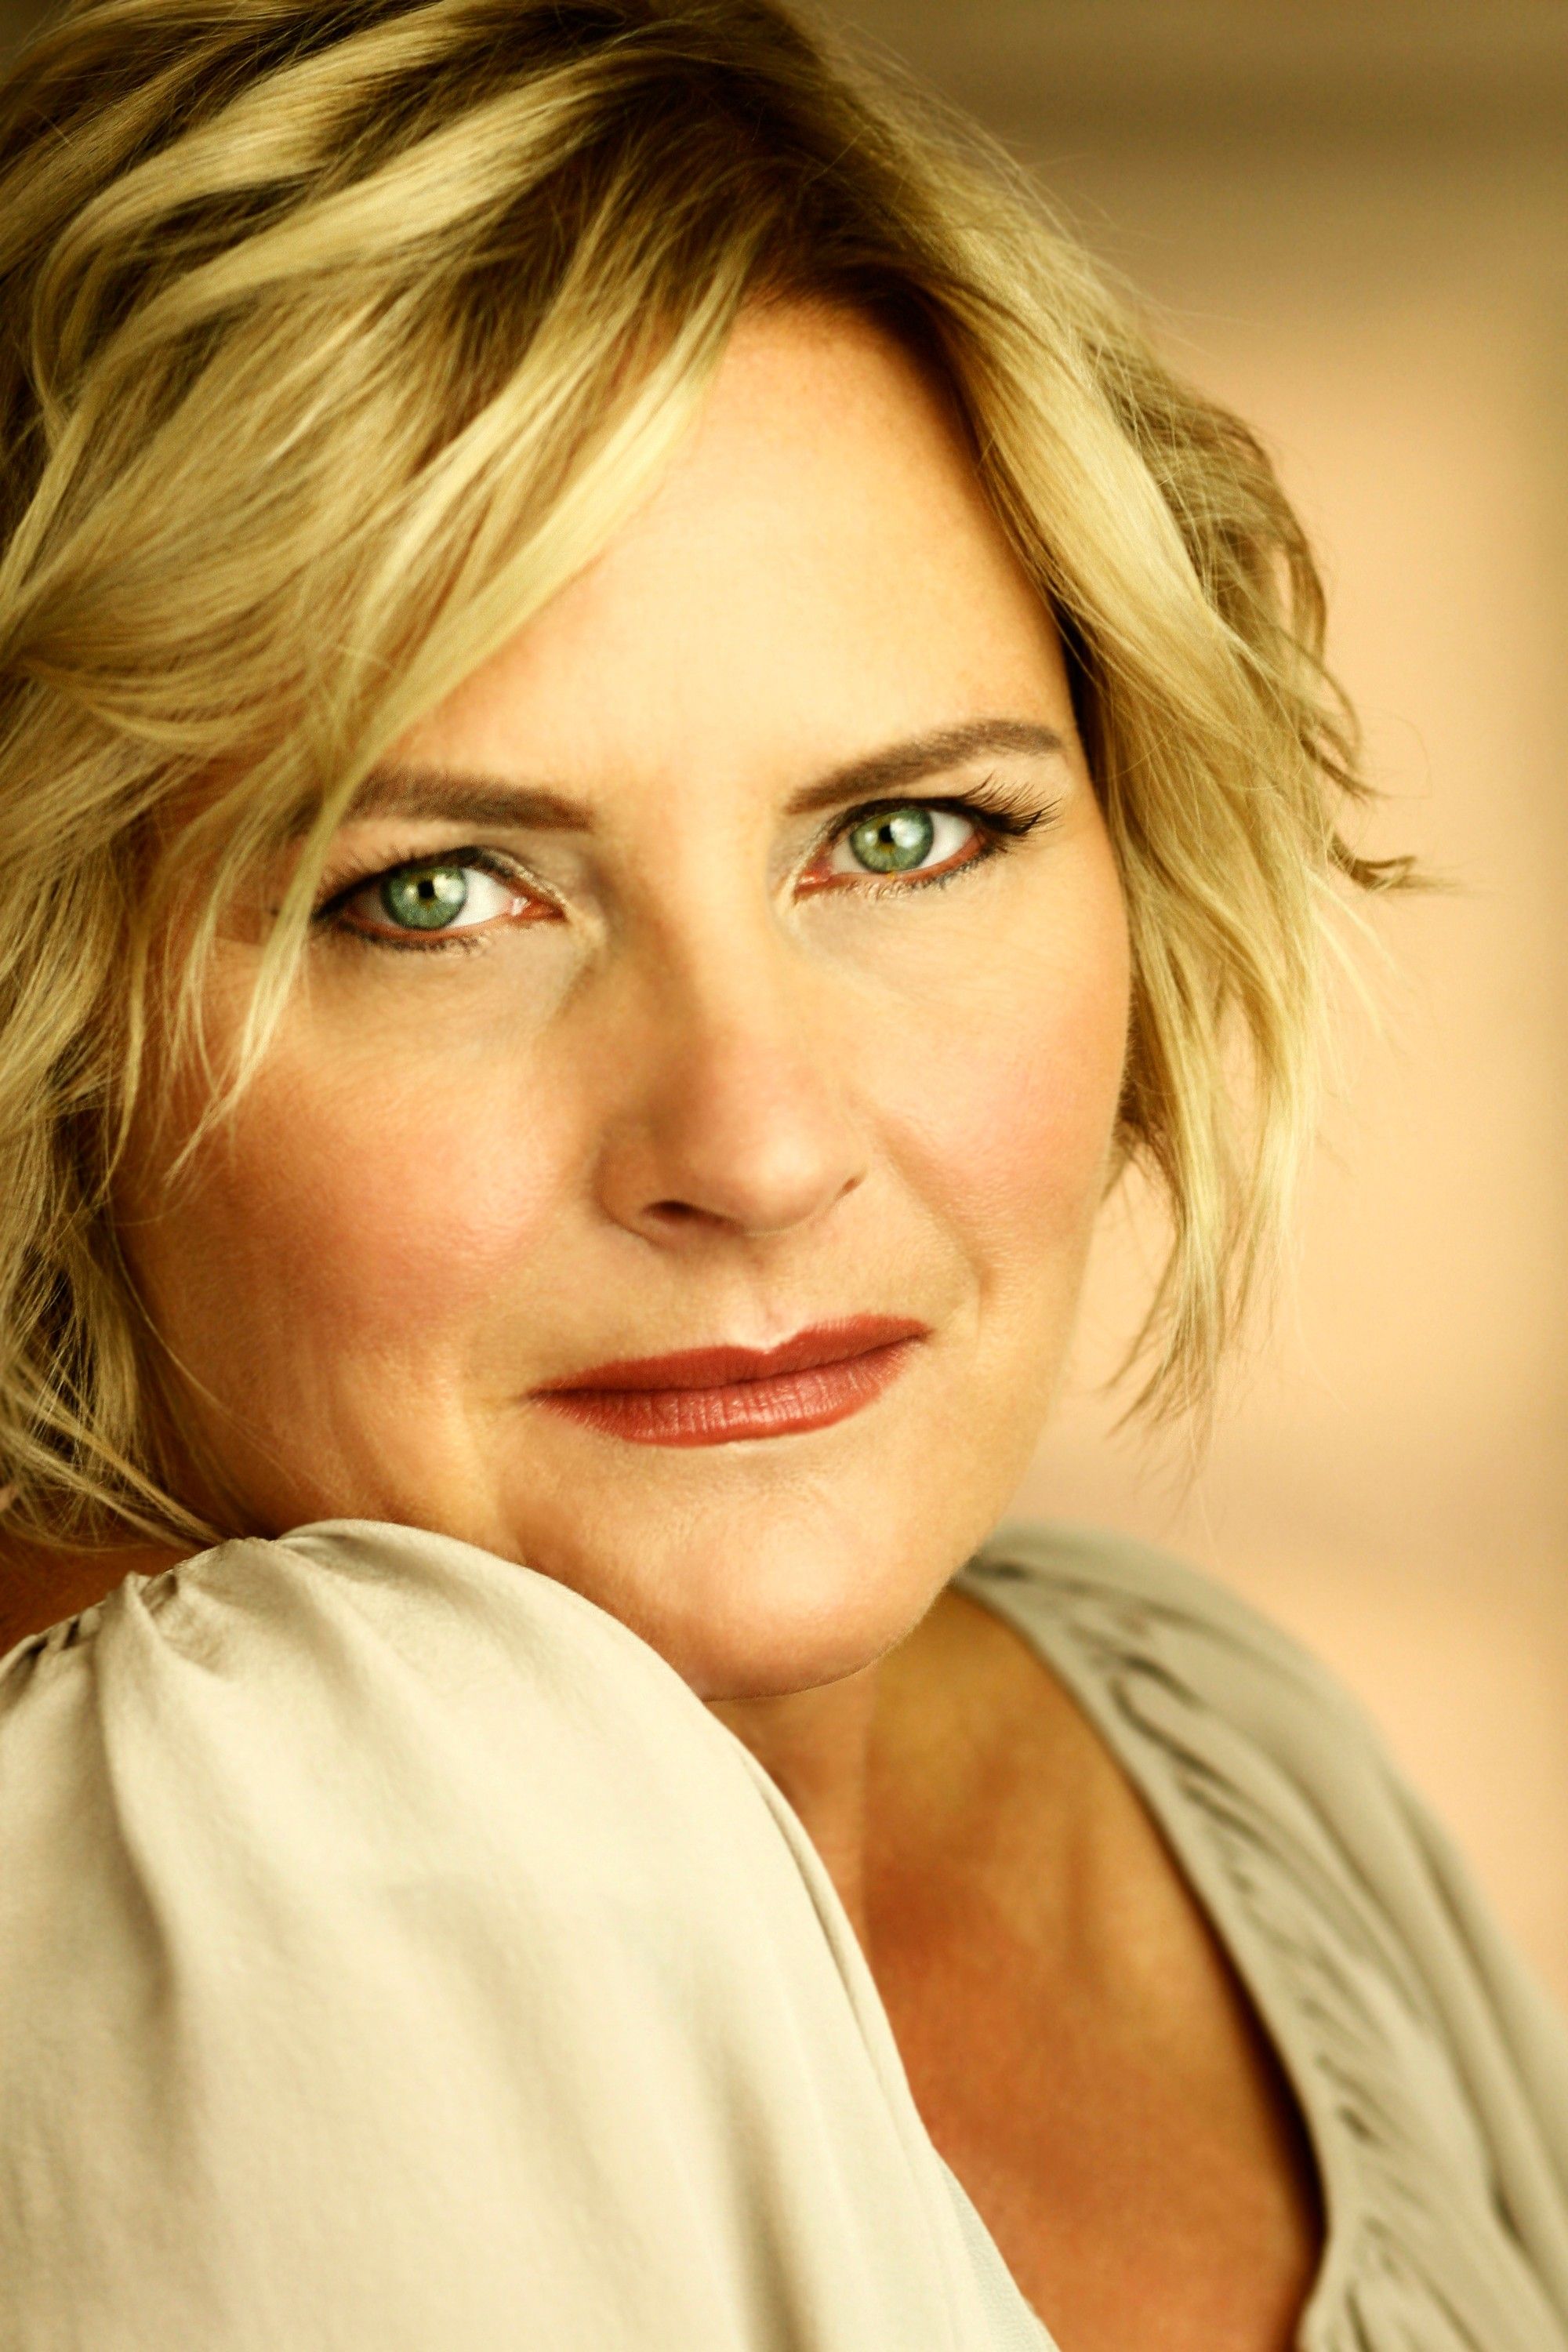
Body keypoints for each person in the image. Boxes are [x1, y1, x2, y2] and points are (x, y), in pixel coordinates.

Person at [0, 2, 1563, 2347]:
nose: (754, 1143)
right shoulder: (250, 1832)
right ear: (53, 1026)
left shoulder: (1207, 1745)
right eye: (436, 892)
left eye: (906, 835)